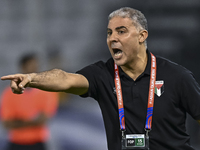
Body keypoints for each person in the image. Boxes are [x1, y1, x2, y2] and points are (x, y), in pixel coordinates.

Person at [1, 7, 200, 150]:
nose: (112, 38)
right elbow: (65, 79)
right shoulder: (103, 74)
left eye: (121, 31)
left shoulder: (177, 76)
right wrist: (32, 78)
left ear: (142, 36)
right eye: (109, 33)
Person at [0, 53, 58, 150]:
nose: (34, 70)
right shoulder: (9, 94)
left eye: (36, 67)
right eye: (30, 66)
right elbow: (7, 123)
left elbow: (43, 119)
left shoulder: (46, 91)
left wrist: (20, 121)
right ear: (23, 67)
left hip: (38, 142)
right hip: (16, 143)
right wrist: (32, 121)